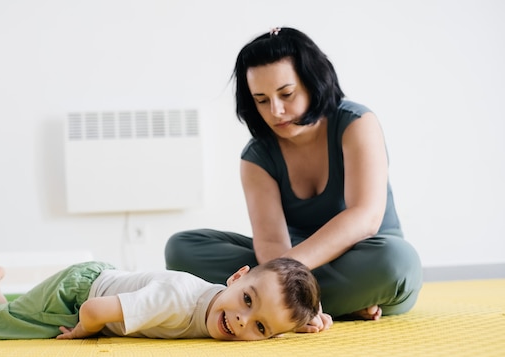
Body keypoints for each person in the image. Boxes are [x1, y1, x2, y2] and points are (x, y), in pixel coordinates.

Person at [165, 27, 423, 323]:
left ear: (313, 83)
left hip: (364, 257)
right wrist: (287, 278)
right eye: (261, 100)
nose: (276, 111)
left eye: (286, 94)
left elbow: (364, 219)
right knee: (181, 249)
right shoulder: (257, 157)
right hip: (290, 266)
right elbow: (272, 246)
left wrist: (276, 279)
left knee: (398, 262)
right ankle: (329, 303)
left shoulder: (357, 123)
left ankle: (282, 306)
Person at [0, 257, 330, 342]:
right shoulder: (176, 301)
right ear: (236, 278)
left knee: (23, 314)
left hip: (110, 285)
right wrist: (85, 332)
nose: (242, 321)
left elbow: (278, 319)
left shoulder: (227, 306)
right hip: (77, 295)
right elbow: (92, 310)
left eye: (261, 327)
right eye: (246, 300)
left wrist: (307, 319)